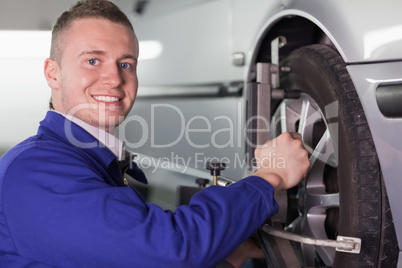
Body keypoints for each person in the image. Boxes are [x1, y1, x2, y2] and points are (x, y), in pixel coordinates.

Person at [0, 0, 310, 267]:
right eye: (92, 61)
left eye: (126, 64)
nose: (114, 79)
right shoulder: (34, 172)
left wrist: (223, 251)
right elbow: (169, 251)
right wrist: (271, 177)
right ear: (52, 73)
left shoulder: (87, 161)